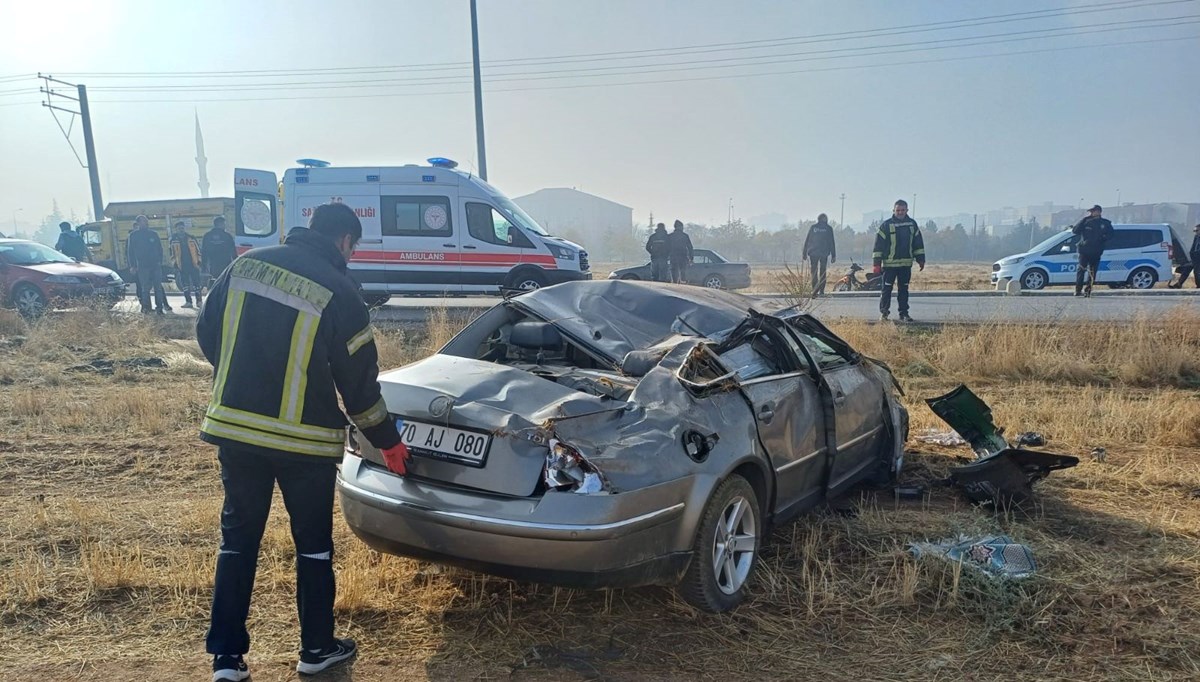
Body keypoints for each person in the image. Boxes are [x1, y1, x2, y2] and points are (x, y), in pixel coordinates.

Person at [197, 203, 411, 682]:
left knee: (237, 542)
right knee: (313, 547)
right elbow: (359, 386)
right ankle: (316, 649)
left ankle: (226, 661)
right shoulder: (341, 291)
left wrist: (242, 380)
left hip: (238, 430)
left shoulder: (245, 264)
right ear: (344, 242)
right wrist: (388, 442)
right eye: (353, 249)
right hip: (305, 445)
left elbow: (207, 332)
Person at [872, 199, 925, 322]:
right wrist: (876, 264)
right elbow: (878, 246)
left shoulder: (912, 224)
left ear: (907, 210)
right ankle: (884, 314)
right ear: (893, 210)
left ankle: (904, 314)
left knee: (904, 290)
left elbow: (918, 243)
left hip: (905, 265)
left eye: (902, 210)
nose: (900, 212)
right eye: (898, 210)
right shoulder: (886, 226)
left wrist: (921, 259)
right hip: (889, 266)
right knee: (886, 290)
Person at [128, 215, 170, 314]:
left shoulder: (153, 234)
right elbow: (130, 252)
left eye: (145, 221)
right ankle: (146, 308)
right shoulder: (134, 235)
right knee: (145, 288)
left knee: (158, 288)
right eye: (141, 221)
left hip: (155, 265)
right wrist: (132, 266)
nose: (144, 223)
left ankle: (159, 308)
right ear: (137, 223)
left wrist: (159, 261)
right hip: (142, 266)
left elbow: (160, 249)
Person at [1071, 204, 1114, 297]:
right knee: (1081, 270)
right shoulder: (1086, 221)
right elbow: (1075, 231)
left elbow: (1111, 235)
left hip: (1096, 251)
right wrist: (1083, 220)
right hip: (1084, 250)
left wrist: (1103, 238)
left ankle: (1088, 291)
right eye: (1091, 211)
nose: (1092, 213)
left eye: (1093, 211)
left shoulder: (1105, 223)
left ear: (1099, 212)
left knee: (1092, 272)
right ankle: (1078, 290)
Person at [170, 222, 205, 309]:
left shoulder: (191, 238)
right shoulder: (173, 240)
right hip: (182, 265)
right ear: (176, 229)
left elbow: (198, 251)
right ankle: (188, 301)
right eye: (179, 228)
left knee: (196, 284)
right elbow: (172, 253)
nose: (181, 230)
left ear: (184, 228)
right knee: (185, 285)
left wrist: (199, 261)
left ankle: (199, 301)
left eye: (182, 228)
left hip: (193, 264)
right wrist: (174, 264)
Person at [802, 213, 837, 296]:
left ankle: (815, 289)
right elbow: (831, 242)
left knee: (814, 272)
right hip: (824, 253)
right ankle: (821, 290)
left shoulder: (813, 228)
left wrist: (805, 253)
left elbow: (807, 240)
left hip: (813, 253)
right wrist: (833, 255)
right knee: (822, 272)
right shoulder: (828, 228)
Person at [202, 216, 238, 285]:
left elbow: (204, 252)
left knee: (214, 280)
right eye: (224, 224)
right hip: (225, 262)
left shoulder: (207, 236)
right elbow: (233, 251)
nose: (225, 226)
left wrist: (204, 265)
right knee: (225, 280)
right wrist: (235, 261)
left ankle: (213, 293)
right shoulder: (227, 236)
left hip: (212, 263)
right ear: (220, 224)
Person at [1167, 223, 1200, 289]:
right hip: (1194, 257)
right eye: (1195, 231)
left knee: (1197, 272)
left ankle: (1198, 286)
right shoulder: (1196, 237)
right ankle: (1178, 284)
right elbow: (1193, 246)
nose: (1195, 232)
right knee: (1186, 270)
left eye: (1197, 230)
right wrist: (1190, 254)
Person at [668, 220, 694, 284]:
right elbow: (690, 247)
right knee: (683, 271)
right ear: (681, 227)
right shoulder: (685, 236)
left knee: (674, 271)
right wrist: (691, 258)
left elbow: (666, 247)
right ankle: (683, 284)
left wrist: (667, 256)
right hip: (683, 256)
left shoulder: (670, 236)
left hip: (673, 256)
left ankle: (674, 283)